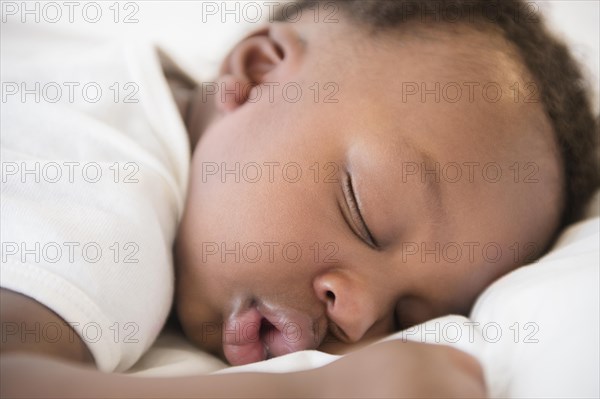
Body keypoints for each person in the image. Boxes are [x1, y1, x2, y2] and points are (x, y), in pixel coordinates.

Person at [1, 0, 598, 397]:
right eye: (363, 214)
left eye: (407, 317)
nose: (358, 315)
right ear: (258, 73)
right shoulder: (107, 177)